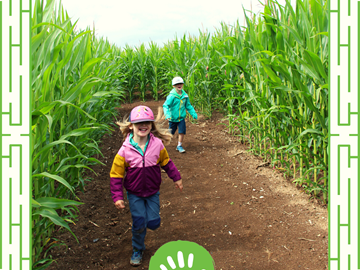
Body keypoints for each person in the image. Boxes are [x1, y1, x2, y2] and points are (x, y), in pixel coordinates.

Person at [109, 105, 183, 266]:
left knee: (154, 222)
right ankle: (138, 248)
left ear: (151, 125)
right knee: (139, 222)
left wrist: (176, 178)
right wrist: (117, 197)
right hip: (134, 193)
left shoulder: (157, 145)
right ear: (131, 126)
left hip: (152, 191)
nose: (143, 126)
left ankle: (148, 226)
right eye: (139, 123)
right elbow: (116, 175)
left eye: (147, 122)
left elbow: (166, 163)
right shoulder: (125, 150)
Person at [163, 76, 198, 153]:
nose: (179, 85)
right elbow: (166, 105)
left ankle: (179, 145)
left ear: (182, 84)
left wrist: (193, 113)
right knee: (170, 133)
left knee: (182, 131)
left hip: (181, 118)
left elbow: (188, 105)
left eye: (180, 83)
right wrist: (167, 115)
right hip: (173, 118)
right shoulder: (172, 96)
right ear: (173, 86)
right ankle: (161, 145)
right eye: (177, 84)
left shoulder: (185, 96)